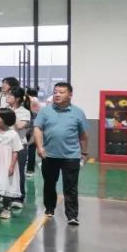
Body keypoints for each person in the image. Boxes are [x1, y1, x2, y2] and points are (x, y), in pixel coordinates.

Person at [34, 82, 89, 226]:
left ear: (70, 95)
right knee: (49, 183)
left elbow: (83, 135)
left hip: (71, 156)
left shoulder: (78, 112)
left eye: (61, 92)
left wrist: (84, 152)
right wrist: (39, 147)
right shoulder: (45, 111)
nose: (57, 94)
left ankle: (72, 215)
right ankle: (49, 208)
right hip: (49, 155)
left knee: (70, 187)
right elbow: (38, 128)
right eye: (55, 92)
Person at [7, 87, 32, 210]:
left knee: (19, 171)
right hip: (5, 145)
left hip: (20, 145)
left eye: (10, 96)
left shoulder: (25, 112)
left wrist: (12, 113)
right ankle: (7, 195)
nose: (7, 97)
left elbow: (20, 126)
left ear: (17, 99)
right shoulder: (5, 109)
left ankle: (19, 197)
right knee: (6, 170)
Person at [25, 88, 42, 177]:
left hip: (31, 125)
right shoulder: (36, 100)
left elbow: (31, 113)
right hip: (34, 125)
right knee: (31, 147)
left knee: (29, 147)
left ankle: (30, 169)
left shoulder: (32, 100)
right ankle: (30, 169)